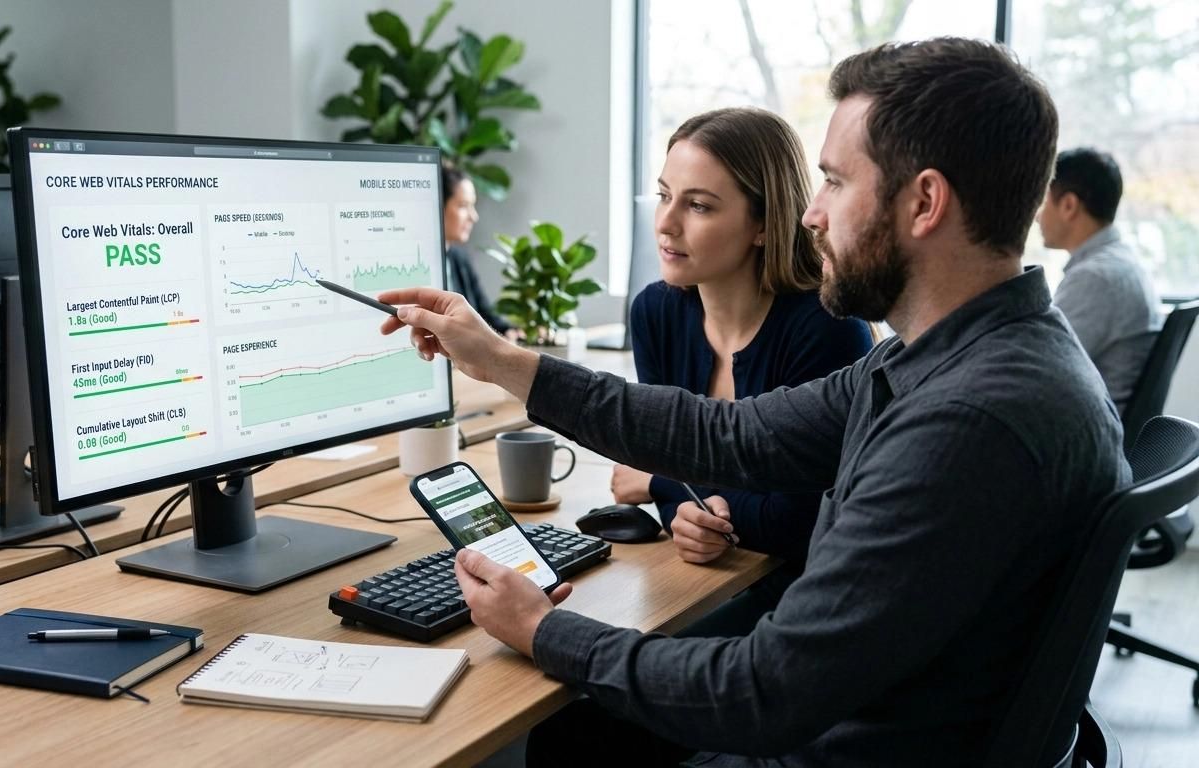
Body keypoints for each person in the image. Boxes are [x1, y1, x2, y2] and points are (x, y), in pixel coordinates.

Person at [376, 37, 1129, 766]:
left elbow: (761, 695)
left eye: (835, 181)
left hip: (835, 748)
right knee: (580, 736)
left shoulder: (969, 421)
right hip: (882, 727)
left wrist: (547, 629)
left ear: (924, 202)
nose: (812, 213)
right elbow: (731, 437)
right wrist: (504, 361)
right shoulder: (962, 357)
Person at [613, 107, 872, 563]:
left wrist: (659, 484)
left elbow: (798, 522)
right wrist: (687, 514)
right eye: (663, 195)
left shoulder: (829, 329)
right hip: (711, 576)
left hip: (798, 591)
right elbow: (669, 466)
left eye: (698, 206)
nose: (665, 223)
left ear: (764, 225)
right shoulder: (655, 313)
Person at [1037, 147, 1161, 412]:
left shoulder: (1096, 279)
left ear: (1069, 205)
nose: (1037, 215)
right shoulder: (1122, 263)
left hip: (1088, 434)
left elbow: (1039, 368)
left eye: (1043, 202)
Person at [441, 164, 518, 339]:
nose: (473, 216)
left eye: (472, 206)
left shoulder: (459, 258)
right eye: (463, 206)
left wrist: (510, 331)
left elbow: (486, 317)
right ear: (438, 207)